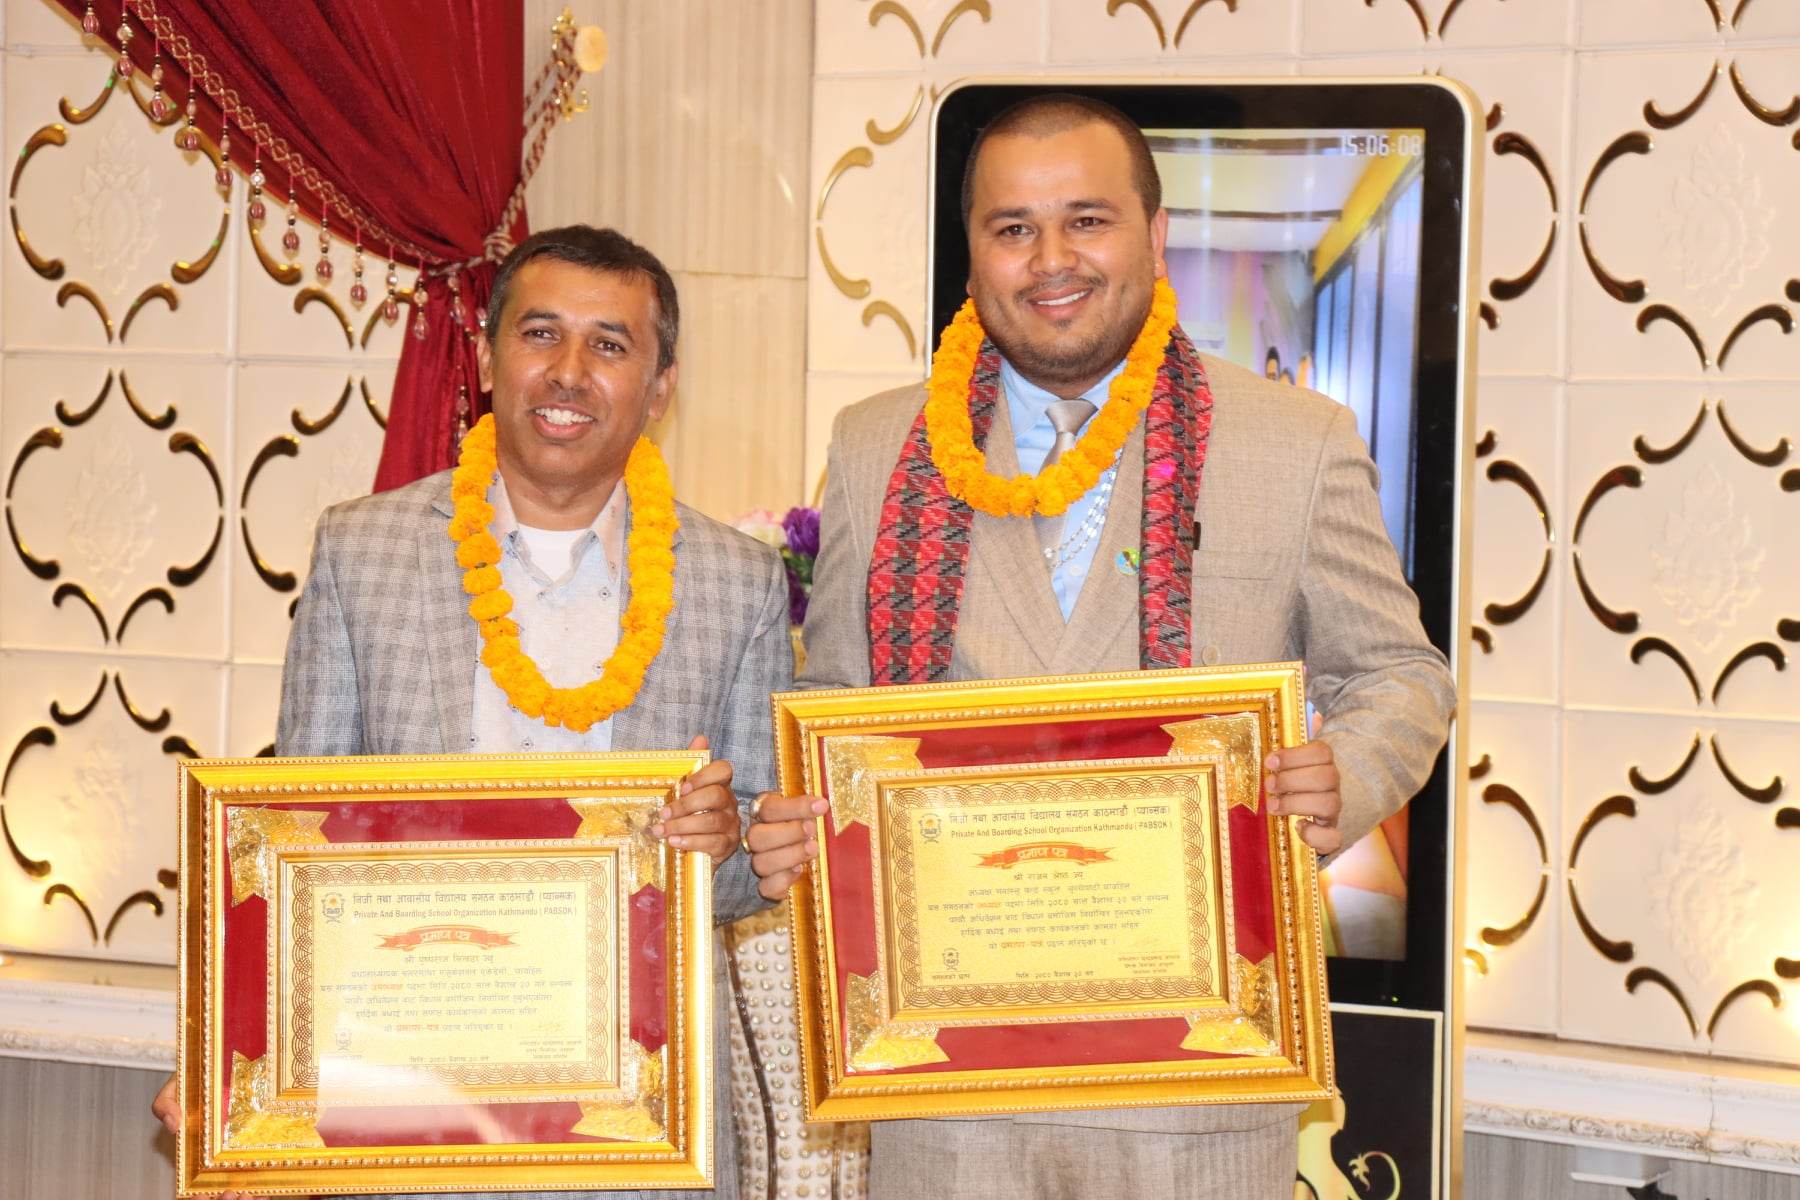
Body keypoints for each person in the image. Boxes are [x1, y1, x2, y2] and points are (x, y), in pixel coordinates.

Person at [746, 94, 1454, 1199]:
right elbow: (837, 697)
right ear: (973, 252)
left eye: (1087, 220)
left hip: (1198, 1086)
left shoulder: (1295, 442)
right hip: (946, 1086)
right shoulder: (877, 444)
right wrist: (799, 812)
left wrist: (1341, 780)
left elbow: (1403, 677)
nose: (1051, 260)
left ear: (1154, 234)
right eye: (1013, 228)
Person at [151, 225, 792, 1200]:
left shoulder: (735, 581)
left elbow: (754, 867)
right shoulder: (363, 552)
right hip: (405, 1100)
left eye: (609, 345)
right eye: (540, 334)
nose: (568, 371)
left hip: (632, 1115)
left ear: (660, 387)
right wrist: (233, 1058)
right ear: (489, 360)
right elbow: (291, 851)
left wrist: (726, 843)